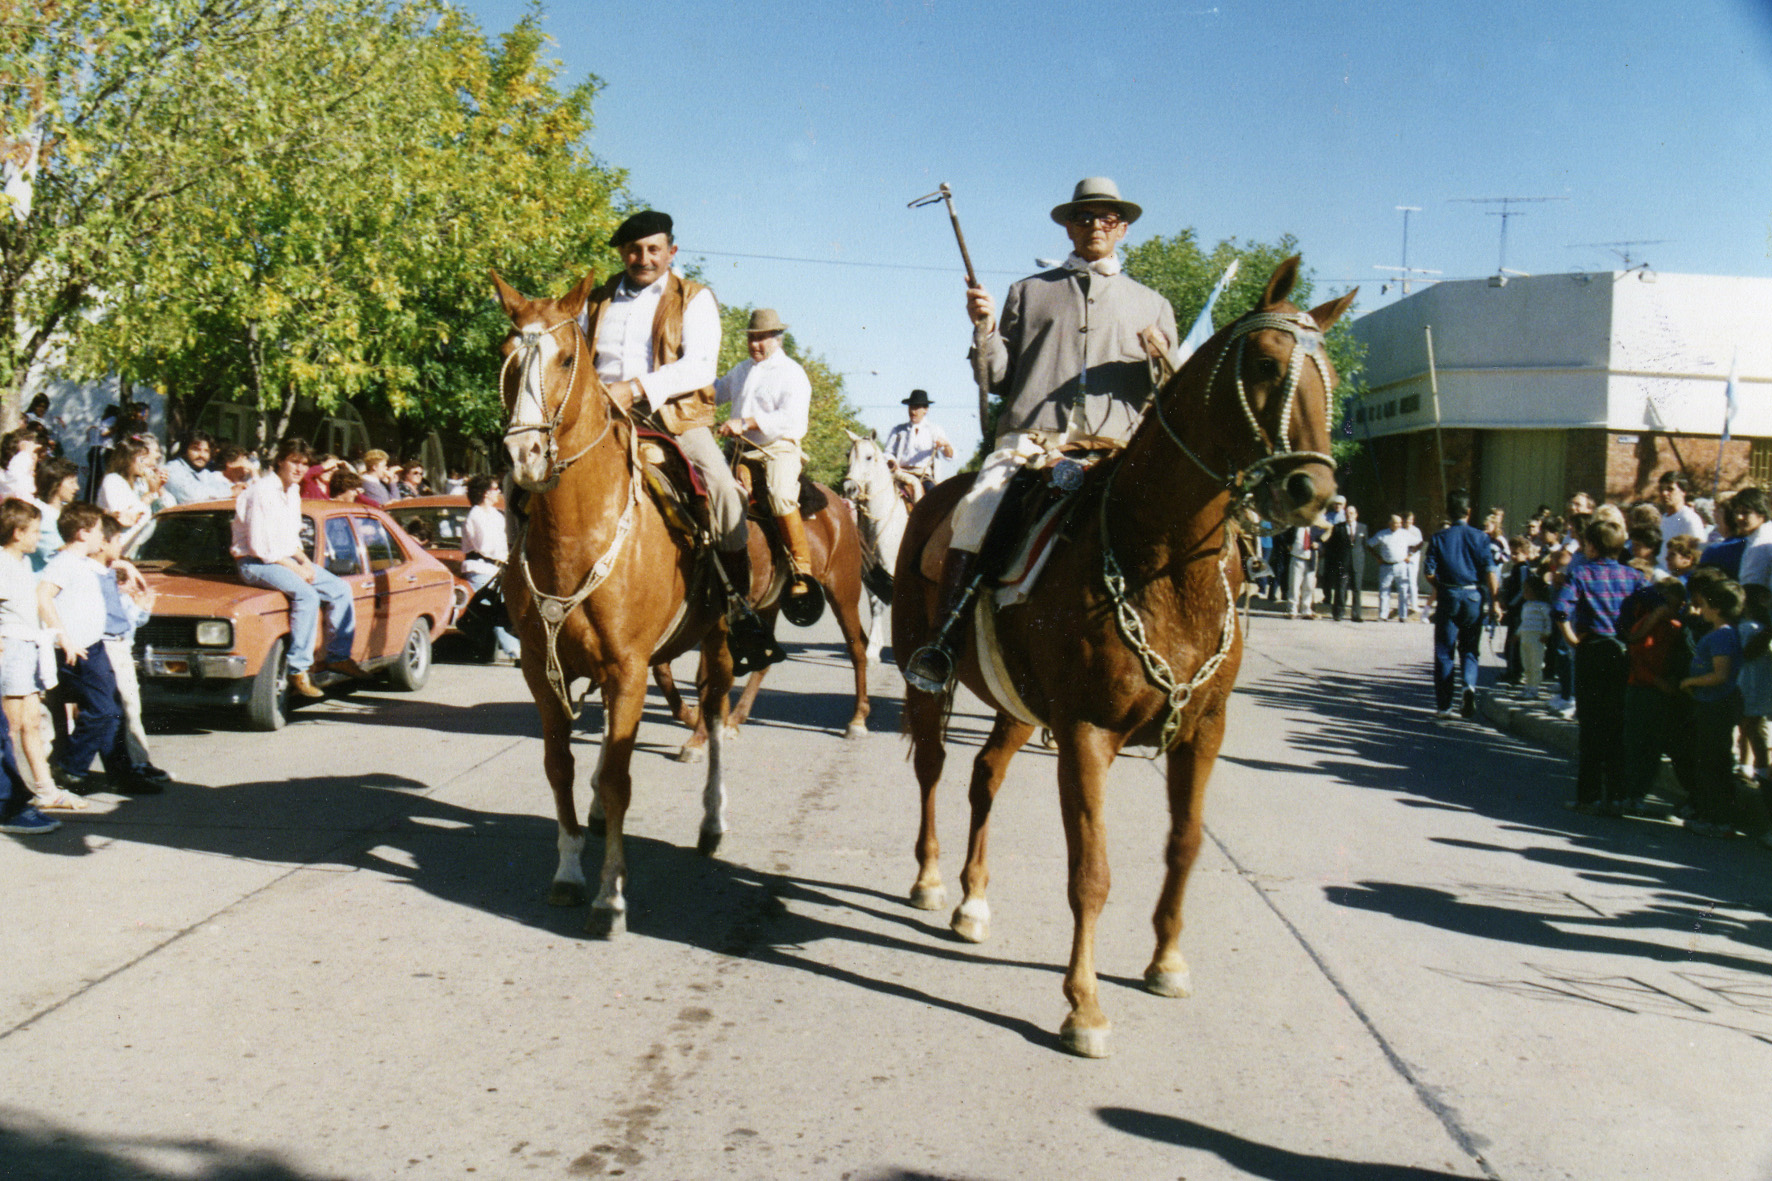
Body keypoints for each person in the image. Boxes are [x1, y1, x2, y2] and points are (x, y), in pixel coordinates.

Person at [905, 177, 1180, 692]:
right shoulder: (1027, 293)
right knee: (974, 517)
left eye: (1106, 218)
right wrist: (984, 330)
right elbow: (998, 379)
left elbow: (1166, 393)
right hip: (1032, 444)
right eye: (1083, 217)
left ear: (1122, 228)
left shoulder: (1154, 304)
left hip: (1116, 451)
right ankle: (943, 642)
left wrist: (1166, 358)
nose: (1094, 226)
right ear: (1068, 227)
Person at [576, 209, 779, 672]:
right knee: (527, 478)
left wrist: (637, 388)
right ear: (622, 253)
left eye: (652, 249)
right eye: (633, 250)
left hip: (673, 419)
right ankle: (518, 590)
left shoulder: (694, 297)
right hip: (601, 420)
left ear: (671, 251)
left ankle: (737, 607)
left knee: (725, 493)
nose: (642, 258)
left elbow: (701, 366)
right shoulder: (597, 300)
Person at [232, 437, 361, 698]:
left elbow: (290, 540)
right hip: (255, 563)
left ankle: (338, 656)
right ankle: (298, 669)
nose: (300, 468)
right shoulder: (262, 492)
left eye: (304, 464)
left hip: (283, 557)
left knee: (339, 589)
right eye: (294, 461)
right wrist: (296, 569)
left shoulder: (292, 491)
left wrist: (304, 561)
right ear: (280, 460)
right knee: (307, 595)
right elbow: (260, 548)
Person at [36, 502, 152, 794]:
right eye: (99, 531)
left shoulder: (84, 562)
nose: (104, 538)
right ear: (81, 533)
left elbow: (109, 562)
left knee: (113, 710)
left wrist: (125, 564)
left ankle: (121, 773)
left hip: (94, 645)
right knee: (101, 710)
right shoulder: (63, 563)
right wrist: (63, 637)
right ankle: (69, 766)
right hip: (78, 650)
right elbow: (42, 596)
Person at [713, 307, 815, 594]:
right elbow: (718, 392)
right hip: (739, 450)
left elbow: (790, 419)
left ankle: (801, 569)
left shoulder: (793, 373)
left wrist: (746, 422)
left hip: (777, 449)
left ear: (777, 338)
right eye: (751, 338)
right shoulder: (742, 370)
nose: (754, 344)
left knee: (782, 496)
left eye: (761, 338)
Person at [1556, 517, 1651, 812]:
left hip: (1592, 650)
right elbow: (1655, 606)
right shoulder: (1634, 577)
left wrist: (1573, 640)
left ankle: (1589, 795)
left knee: (1592, 726)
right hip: (1623, 651)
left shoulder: (1581, 574)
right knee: (1617, 724)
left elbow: (1560, 609)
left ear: (1592, 547)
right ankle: (1619, 794)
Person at [0, 498, 78, 812]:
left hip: (27, 648)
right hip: (12, 649)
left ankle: (46, 789)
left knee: (30, 723)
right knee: (12, 728)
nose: (38, 537)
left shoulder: (19, 562)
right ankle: (12, 796)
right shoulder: (3, 562)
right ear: (17, 533)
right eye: (34, 531)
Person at [96, 513, 169, 786]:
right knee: (127, 706)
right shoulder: (100, 574)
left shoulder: (109, 571)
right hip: (112, 645)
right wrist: (142, 606)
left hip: (118, 645)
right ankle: (134, 764)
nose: (121, 546)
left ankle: (138, 761)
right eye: (116, 540)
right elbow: (126, 622)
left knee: (128, 707)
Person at [1423, 490, 1501, 720]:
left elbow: (1428, 572)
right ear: (1469, 512)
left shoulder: (1438, 538)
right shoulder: (1481, 537)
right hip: (1473, 596)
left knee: (1445, 651)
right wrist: (1495, 602)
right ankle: (1469, 686)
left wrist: (1441, 586)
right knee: (1469, 649)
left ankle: (1445, 706)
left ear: (1448, 512)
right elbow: (1490, 572)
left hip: (1449, 595)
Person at [1680, 577, 1745, 836]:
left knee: (1713, 763)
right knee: (1710, 761)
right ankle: (1715, 817)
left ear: (1716, 609)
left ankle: (1717, 820)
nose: (1701, 609)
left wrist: (1690, 681)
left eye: (1705, 604)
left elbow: (1721, 674)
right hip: (1712, 703)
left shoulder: (1722, 636)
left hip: (1717, 704)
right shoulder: (1722, 633)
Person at [1621, 578, 1692, 815]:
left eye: (1674, 606)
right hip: (1642, 689)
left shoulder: (1676, 627)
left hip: (1662, 693)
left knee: (1653, 747)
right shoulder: (1645, 624)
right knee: (1634, 744)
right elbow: (1636, 660)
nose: (1667, 611)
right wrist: (1656, 681)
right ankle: (1628, 793)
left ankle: (1639, 793)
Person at [461, 474, 521, 663]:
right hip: (481, 569)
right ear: (486, 493)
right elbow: (485, 546)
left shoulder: (496, 514)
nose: (498, 493)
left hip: (498, 569)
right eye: (495, 489)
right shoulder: (475, 515)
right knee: (494, 611)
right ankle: (516, 652)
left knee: (503, 609)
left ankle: (506, 649)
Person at [882, 389, 954, 502]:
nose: (913, 411)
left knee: (935, 501)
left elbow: (949, 455)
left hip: (924, 476)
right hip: (901, 473)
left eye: (916, 407)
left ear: (925, 410)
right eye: (911, 407)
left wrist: (946, 445)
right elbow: (887, 453)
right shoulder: (898, 430)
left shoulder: (934, 430)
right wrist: (892, 461)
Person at [1322, 500, 1367, 622]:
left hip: (1357, 563)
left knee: (1357, 589)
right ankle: (1338, 613)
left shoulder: (1363, 528)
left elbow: (1364, 546)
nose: (1349, 515)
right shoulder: (1338, 528)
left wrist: (1360, 560)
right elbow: (1333, 546)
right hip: (1343, 562)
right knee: (1341, 588)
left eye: (1352, 513)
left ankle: (1356, 614)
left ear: (1356, 515)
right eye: (1347, 513)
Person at [163, 431, 233, 504]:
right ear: (184, 450)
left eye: (206, 451)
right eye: (196, 449)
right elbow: (192, 495)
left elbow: (223, 486)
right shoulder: (172, 469)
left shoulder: (204, 472)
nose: (202, 455)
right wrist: (230, 492)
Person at [1369, 513, 1413, 622]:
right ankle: (1383, 615)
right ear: (1390, 523)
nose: (1398, 525)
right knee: (1384, 591)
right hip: (1386, 566)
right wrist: (1378, 557)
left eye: (1400, 523)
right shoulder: (1382, 534)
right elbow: (1369, 545)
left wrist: (1410, 555)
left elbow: (1419, 543)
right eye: (1396, 523)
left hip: (1401, 565)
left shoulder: (1405, 534)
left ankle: (1403, 616)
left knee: (1403, 591)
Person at [1517, 574, 1554, 700]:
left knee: (1536, 663)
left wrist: (1546, 634)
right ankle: (1527, 686)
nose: (1525, 592)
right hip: (1525, 638)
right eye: (1524, 589)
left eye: (1528, 589)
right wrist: (1517, 633)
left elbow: (1548, 621)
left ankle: (1534, 689)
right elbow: (1523, 622)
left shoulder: (1543, 606)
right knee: (1526, 663)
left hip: (1537, 638)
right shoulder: (1525, 606)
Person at [1657, 471, 1705, 561]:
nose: (1664, 493)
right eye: (1661, 489)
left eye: (1670, 489)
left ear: (1683, 492)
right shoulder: (1663, 518)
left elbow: (1698, 552)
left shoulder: (1689, 519)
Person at [1286, 522, 1321, 619]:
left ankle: (1306, 610)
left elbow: (1323, 540)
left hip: (1311, 559)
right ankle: (1292, 610)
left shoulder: (1316, 527)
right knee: (1294, 585)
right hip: (1297, 557)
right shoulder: (1295, 526)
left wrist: (1318, 545)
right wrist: (1288, 545)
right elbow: (1285, 535)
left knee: (1309, 586)